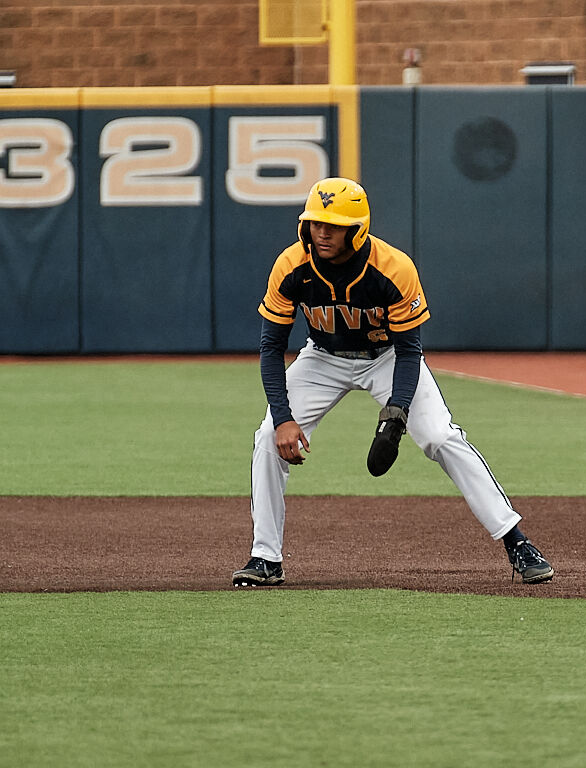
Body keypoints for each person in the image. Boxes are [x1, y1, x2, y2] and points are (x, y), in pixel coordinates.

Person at [231, 176, 554, 588]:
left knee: (440, 437)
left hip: (386, 358)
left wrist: (396, 416)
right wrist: (283, 417)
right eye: (315, 222)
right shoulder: (291, 265)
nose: (323, 232)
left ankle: (517, 542)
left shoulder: (393, 268)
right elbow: (271, 346)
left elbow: (408, 351)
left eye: (334, 225)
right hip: (323, 358)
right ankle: (265, 558)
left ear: (357, 229)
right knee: (266, 438)